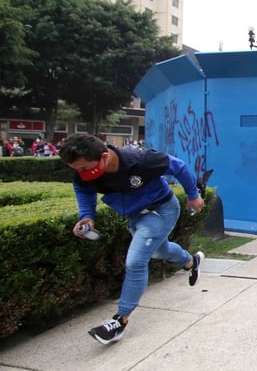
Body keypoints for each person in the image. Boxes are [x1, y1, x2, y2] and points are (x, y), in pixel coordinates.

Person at [58, 133, 205, 344]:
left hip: (161, 211)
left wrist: (193, 195)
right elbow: (83, 191)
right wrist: (87, 217)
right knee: (158, 250)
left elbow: (179, 166)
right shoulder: (85, 175)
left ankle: (120, 321)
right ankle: (191, 261)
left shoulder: (141, 160)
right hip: (135, 217)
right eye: (77, 170)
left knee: (136, 261)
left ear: (104, 156)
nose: (81, 173)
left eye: (84, 168)